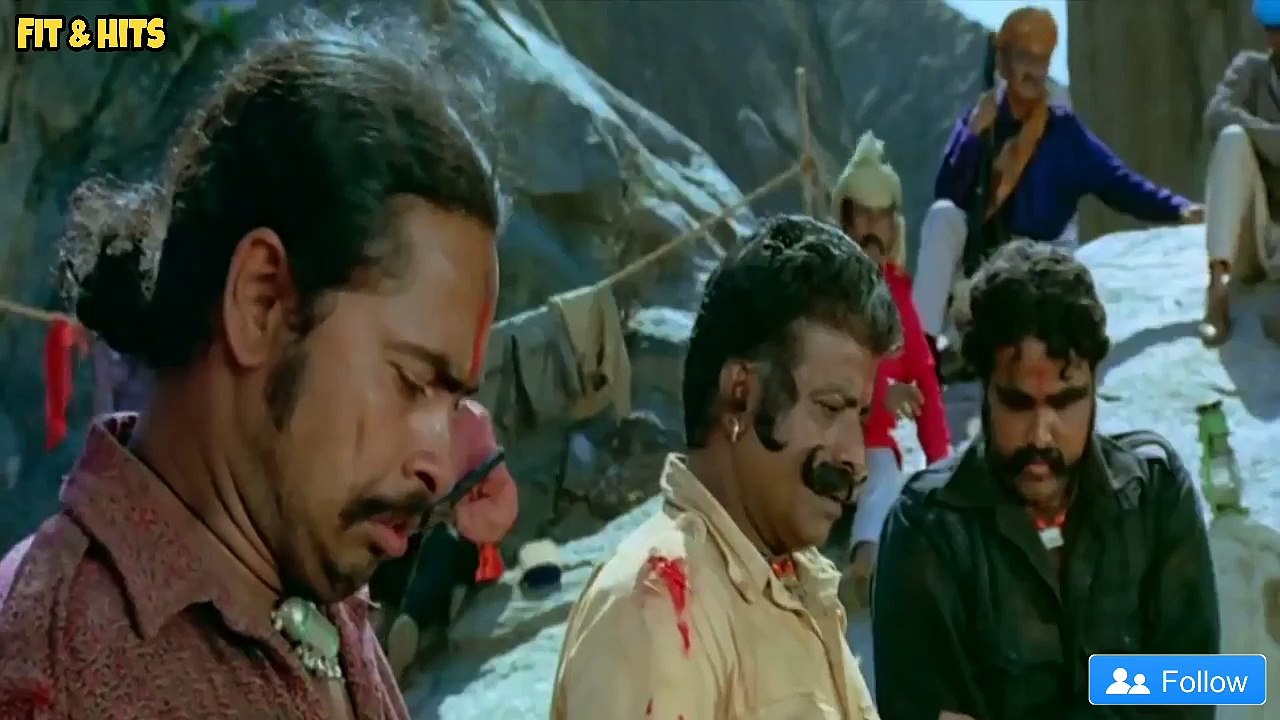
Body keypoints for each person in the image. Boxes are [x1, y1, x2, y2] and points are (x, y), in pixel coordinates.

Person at [0, 12, 504, 720]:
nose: (441, 468)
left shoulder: (313, 583)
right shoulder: (56, 676)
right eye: (413, 381)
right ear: (261, 300)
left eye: (453, 404)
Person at [550, 215, 901, 719]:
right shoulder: (658, 608)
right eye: (830, 409)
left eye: (860, 417)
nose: (856, 459)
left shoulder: (799, 583)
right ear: (741, 395)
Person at [873, 240, 1219, 720]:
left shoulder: (1153, 495)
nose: (1040, 435)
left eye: (1064, 402)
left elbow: (1196, 687)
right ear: (984, 391)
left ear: (1095, 384)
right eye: (1018, 404)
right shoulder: (929, 530)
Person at [913, 6, 1205, 377]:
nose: (1034, 71)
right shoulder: (981, 120)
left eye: (1041, 60)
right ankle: (921, 357)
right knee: (943, 217)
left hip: (1035, 272)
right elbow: (948, 192)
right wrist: (972, 136)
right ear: (1004, 63)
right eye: (1025, 57)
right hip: (978, 274)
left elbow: (1119, 182)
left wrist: (1179, 209)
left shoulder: (1064, 133)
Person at [828, 131, 951, 602]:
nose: (871, 227)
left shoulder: (900, 296)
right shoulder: (826, 292)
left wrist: (941, 464)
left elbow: (925, 381)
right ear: (845, 221)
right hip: (825, 431)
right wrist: (881, 395)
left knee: (886, 474)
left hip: (871, 447)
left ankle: (864, 568)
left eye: (880, 216)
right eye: (862, 215)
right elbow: (826, 368)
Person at [1199, 0, 1280, 345]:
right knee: (1232, 138)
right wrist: (1270, 137)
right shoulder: (1251, 67)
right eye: (1273, 28)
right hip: (1256, 234)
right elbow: (1216, 115)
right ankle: (1218, 292)